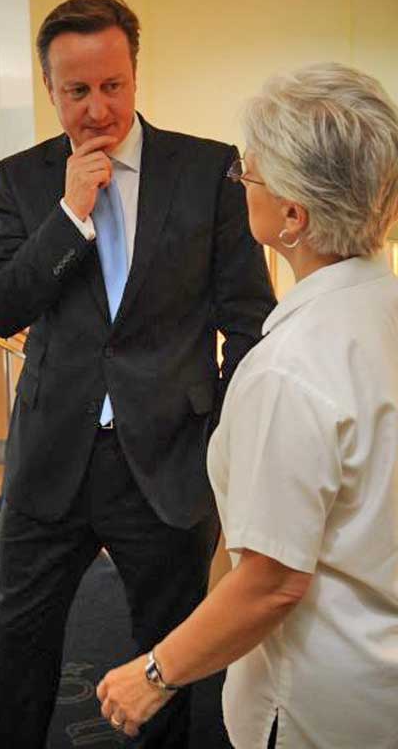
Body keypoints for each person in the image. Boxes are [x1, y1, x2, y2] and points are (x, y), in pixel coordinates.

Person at [0, 0, 276, 747]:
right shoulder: (22, 179)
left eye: (112, 85)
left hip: (169, 459)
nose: (97, 108)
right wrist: (69, 216)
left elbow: (248, 322)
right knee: (19, 652)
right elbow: (1, 307)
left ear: (135, 74)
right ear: (51, 91)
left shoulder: (210, 171)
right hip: (52, 461)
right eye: (77, 92)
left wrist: (219, 438)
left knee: (169, 661)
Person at [97, 62, 398, 748]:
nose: (240, 186)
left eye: (249, 176)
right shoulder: (381, 311)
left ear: (294, 215)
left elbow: (270, 580)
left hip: (320, 706)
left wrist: (154, 673)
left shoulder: (288, 370)